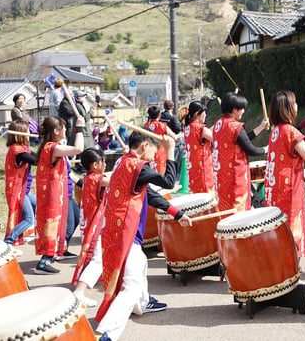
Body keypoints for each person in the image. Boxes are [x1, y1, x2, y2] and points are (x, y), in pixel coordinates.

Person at [94, 132, 192, 341]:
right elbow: (167, 182)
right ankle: (107, 332)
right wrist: (171, 149)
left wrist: (177, 213)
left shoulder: (123, 163)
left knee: (140, 266)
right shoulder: (138, 167)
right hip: (125, 235)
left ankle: (144, 303)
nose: (155, 156)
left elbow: (150, 195)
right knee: (132, 286)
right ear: (145, 146)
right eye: (154, 152)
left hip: (117, 231)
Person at [265, 90, 305, 258]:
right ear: (286, 108)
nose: (296, 106)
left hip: (275, 189)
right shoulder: (291, 132)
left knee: (279, 230)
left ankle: (281, 275)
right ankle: (292, 277)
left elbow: (300, 150)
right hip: (289, 190)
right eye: (293, 103)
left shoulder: (276, 131)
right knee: (292, 231)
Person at [34, 115, 84, 274]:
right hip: (54, 195)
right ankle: (44, 262)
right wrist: (80, 128)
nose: (66, 130)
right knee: (53, 226)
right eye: (63, 128)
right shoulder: (53, 148)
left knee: (76, 216)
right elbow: (78, 149)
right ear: (56, 131)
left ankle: (61, 249)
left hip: (59, 191)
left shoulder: (51, 147)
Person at [212, 92, 268, 212]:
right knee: (238, 210)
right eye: (242, 108)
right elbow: (250, 149)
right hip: (235, 176)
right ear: (234, 109)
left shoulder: (219, 124)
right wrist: (266, 149)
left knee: (225, 208)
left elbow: (242, 140)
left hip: (222, 176)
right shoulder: (234, 126)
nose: (243, 111)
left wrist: (261, 127)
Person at [73, 148, 109, 308]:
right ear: (95, 165)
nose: (105, 164)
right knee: (97, 260)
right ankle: (79, 291)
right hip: (95, 225)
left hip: (91, 223)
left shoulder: (88, 178)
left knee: (97, 257)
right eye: (103, 161)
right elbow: (117, 181)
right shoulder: (96, 179)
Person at [4, 121, 37, 253]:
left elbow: (36, 155)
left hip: (25, 190)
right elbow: (36, 160)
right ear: (20, 134)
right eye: (27, 131)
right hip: (17, 190)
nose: (30, 134)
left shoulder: (23, 148)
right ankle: (8, 241)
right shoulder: (17, 150)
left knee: (38, 206)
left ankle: (25, 234)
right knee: (29, 219)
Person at [183, 101, 214, 195]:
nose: (205, 116)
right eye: (204, 114)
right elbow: (215, 138)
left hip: (193, 167)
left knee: (196, 194)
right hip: (203, 166)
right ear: (197, 114)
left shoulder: (188, 127)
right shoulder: (200, 128)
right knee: (207, 194)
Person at [145, 105, 177, 174]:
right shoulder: (162, 126)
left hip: (148, 154)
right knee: (160, 176)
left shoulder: (145, 126)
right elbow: (174, 137)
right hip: (160, 153)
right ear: (159, 115)